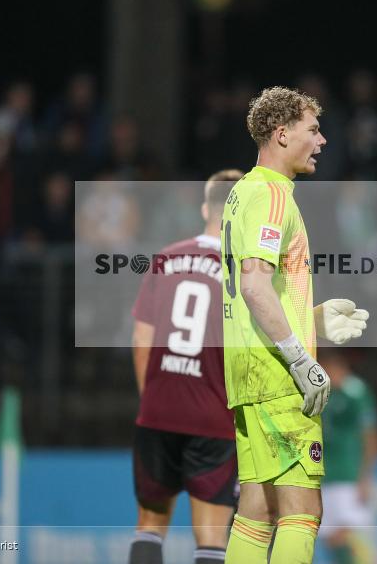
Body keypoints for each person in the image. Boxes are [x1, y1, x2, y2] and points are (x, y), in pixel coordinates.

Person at [221, 86, 370, 564]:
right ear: (282, 134)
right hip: (277, 379)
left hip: (248, 373)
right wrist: (300, 358)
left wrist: (314, 321)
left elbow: (257, 289)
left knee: (257, 511)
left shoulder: (243, 192)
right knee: (303, 511)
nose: (322, 141)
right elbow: (254, 286)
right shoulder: (271, 196)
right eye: (314, 130)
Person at [129, 169, 244, 564]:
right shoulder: (245, 272)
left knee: (149, 526)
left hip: (159, 410)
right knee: (211, 538)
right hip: (213, 415)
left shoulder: (167, 257)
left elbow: (141, 339)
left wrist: (152, 400)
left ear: (205, 209)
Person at [319, 350, 377, 564]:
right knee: (330, 538)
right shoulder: (323, 393)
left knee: (348, 534)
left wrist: (366, 477)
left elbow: (371, 436)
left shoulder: (356, 392)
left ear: (337, 368)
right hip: (324, 474)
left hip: (348, 474)